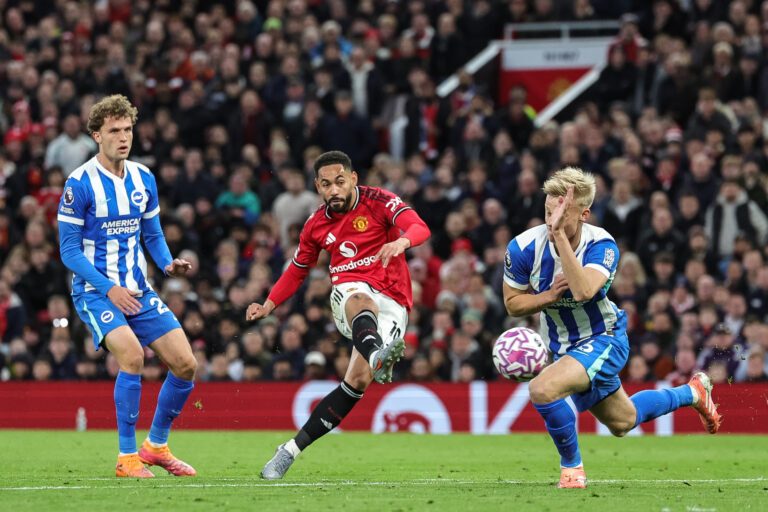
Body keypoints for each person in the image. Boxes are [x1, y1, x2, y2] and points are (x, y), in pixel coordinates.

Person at [502, 167, 721, 489]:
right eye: (549, 212)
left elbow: (584, 291)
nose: (552, 220)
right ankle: (692, 392)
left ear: (584, 214)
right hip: (562, 346)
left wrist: (559, 236)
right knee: (623, 421)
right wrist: (547, 295)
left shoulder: (602, 244)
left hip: (604, 337)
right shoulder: (523, 248)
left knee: (542, 389)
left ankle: (572, 470)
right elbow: (512, 303)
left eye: (562, 213)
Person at [246, 150, 430, 479]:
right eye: (327, 184)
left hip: (395, 300)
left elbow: (418, 227)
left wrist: (402, 242)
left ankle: (288, 450)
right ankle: (377, 353)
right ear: (317, 186)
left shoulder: (380, 201)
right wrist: (269, 304)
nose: (334, 190)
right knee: (360, 296)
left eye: (340, 182)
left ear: (353, 179)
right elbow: (297, 270)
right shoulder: (315, 224)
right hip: (350, 294)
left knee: (356, 383)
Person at [57, 95, 197, 478]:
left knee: (186, 364)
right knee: (132, 357)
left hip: (139, 289)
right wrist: (108, 288)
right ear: (96, 135)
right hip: (94, 291)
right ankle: (126, 457)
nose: (123, 137)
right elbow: (69, 252)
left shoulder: (143, 177)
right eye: (114, 131)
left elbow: (151, 233)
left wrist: (168, 262)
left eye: (128, 129)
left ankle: (157, 447)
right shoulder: (79, 183)